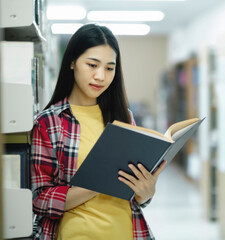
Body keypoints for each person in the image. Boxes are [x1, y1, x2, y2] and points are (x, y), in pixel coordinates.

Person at [30, 23, 167, 240]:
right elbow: (40, 199)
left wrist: (146, 193)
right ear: (72, 62)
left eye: (109, 68)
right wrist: (100, 183)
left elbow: (133, 197)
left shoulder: (124, 118)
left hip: (127, 232)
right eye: (92, 65)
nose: (101, 76)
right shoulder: (49, 123)